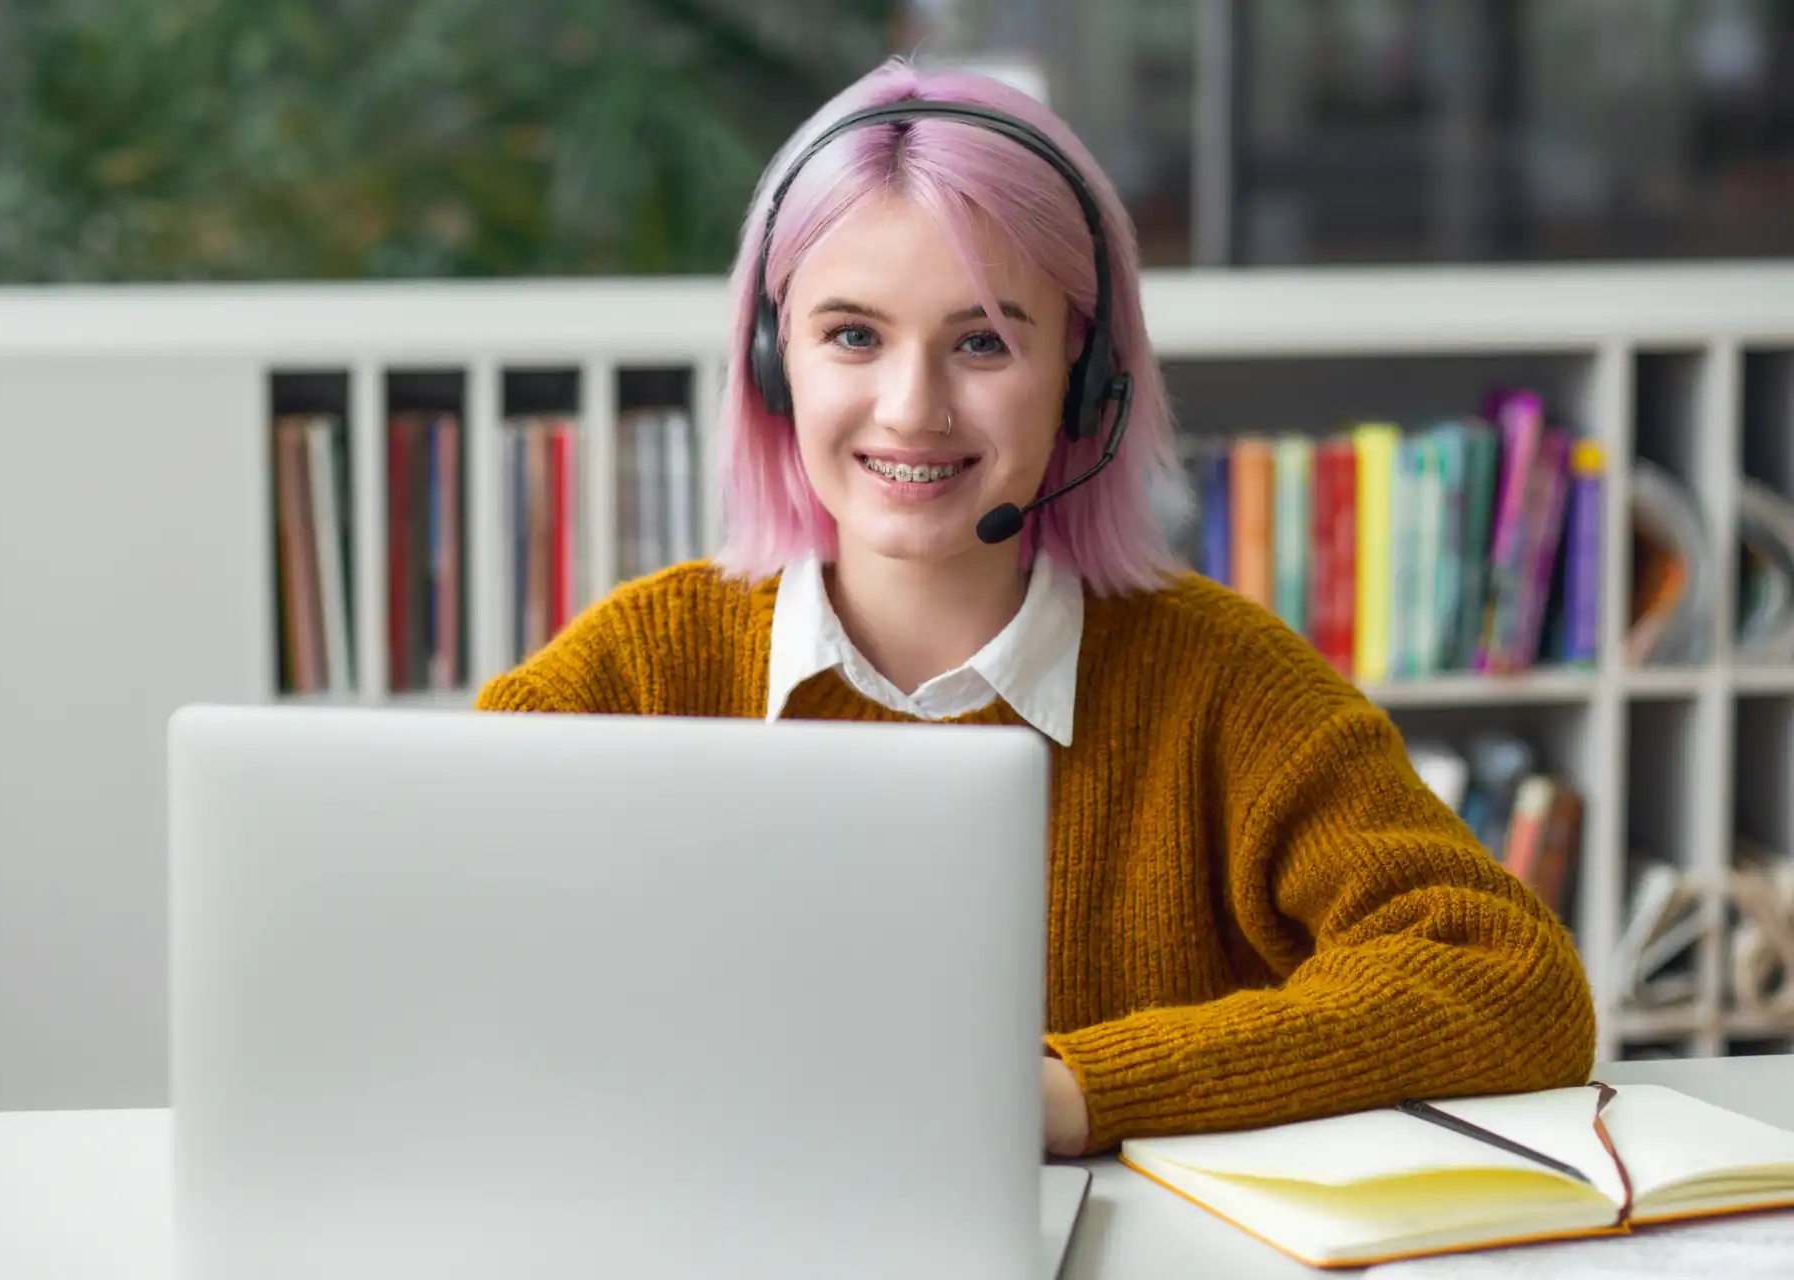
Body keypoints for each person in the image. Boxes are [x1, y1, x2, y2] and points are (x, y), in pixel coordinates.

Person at [476, 56, 1596, 1158]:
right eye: (852, 335)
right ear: (775, 365)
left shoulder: (1224, 682)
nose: (911, 409)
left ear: (1086, 374)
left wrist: (1077, 1093)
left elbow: (1513, 980)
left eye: (984, 341)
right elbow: (413, 934)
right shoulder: (639, 670)